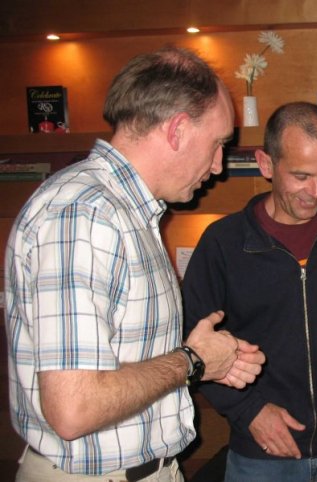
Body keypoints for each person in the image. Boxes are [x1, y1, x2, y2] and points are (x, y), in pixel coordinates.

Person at [5, 46, 266, 482]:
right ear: (178, 130)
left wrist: (209, 360)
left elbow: (124, 362)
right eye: (218, 144)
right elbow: (75, 408)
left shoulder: (126, 211)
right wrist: (192, 361)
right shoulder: (85, 213)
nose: (219, 166)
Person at [182, 101, 317, 482]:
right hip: (263, 452)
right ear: (266, 165)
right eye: (301, 175)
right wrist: (248, 411)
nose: (316, 192)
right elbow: (192, 345)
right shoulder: (222, 243)